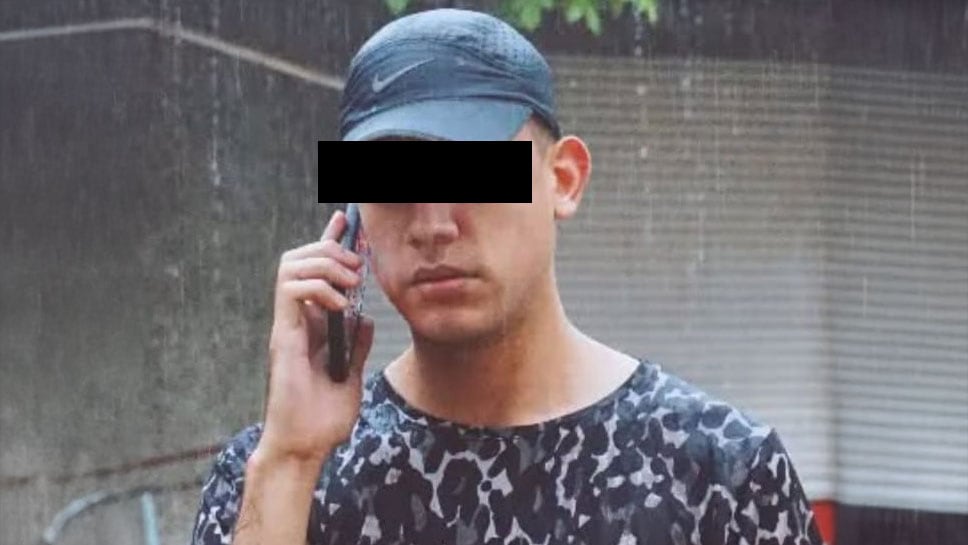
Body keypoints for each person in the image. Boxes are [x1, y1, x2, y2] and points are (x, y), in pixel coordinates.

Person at [190, 8, 825, 545]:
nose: (433, 223)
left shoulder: (719, 470)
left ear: (563, 179)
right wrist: (291, 460)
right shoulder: (279, 476)